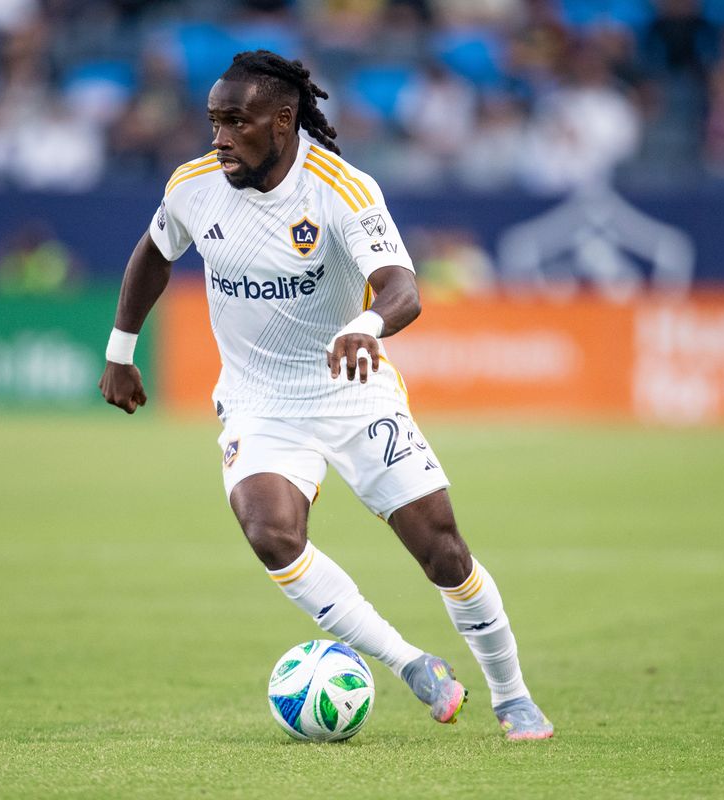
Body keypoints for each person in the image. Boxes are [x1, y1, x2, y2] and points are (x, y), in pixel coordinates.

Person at [98, 49, 553, 741]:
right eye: (214, 121)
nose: (220, 137)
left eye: (237, 122)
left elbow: (402, 288)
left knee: (443, 551)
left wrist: (367, 325)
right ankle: (410, 664)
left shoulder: (341, 188)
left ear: (283, 120)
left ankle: (512, 696)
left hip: (353, 395)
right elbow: (155, 253)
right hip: (258, 402)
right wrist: (120, 349)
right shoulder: (194, 185)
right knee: (271, 533)